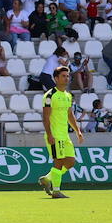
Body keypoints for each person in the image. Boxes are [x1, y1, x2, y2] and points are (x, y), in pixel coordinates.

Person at [38, 65, 83, 200]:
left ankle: (47, 178)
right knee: (58, 163)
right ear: (56, 78)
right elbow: (45, 117)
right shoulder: (50, 95)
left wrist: (78, 131)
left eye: (67, 76)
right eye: (63, 76)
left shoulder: (68, 95)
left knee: (70, 162)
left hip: (65, 135)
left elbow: (70, 115)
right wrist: (50, 135)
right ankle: (56, 191)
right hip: (55, 134)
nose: (66, 78)